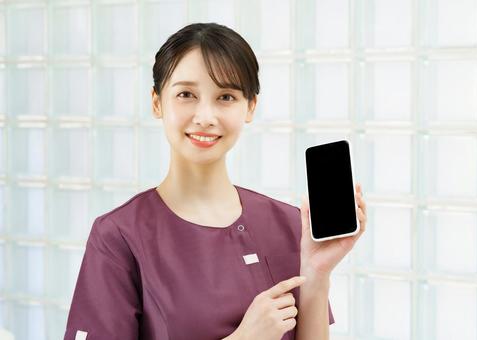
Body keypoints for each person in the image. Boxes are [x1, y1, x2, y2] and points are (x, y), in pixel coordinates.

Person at [63, 22, 367, 340]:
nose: (206, 116)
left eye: (225, 96)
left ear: (250, 106)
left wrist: (317, 275)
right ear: (157, 102)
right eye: (186, 94)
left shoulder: (291, 223)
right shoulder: (118, 236)